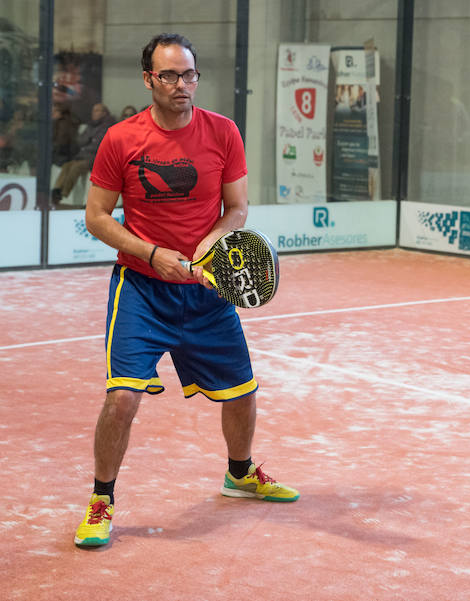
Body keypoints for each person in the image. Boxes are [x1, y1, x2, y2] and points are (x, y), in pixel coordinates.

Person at [74, 33, 298, 548]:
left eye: (190, 75)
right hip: (141, 290)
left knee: (242, 394)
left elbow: (237, 208)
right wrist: (152, 253)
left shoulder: (223, 132)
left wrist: (211, 246)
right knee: (122, 400)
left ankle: (239, 475)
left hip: (206, 293)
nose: (182, 85)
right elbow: (96, 217)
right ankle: (101, 499)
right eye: (170, 75)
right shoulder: (120, 139)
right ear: (149, 78)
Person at [51, 102, 116, 204]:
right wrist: (89, 140)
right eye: (93, 110)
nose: (93, 113)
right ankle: (56, 190)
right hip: (83, 156)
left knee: (75, 168)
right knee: (67, 166)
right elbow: (80, 140)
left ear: (104, 113)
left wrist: (87, 142)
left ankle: (63, 194)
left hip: (96, 158)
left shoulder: (107, 126)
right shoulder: (91, 125)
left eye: (97, 110)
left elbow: (98, 144)